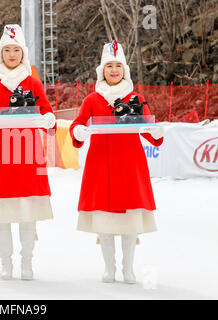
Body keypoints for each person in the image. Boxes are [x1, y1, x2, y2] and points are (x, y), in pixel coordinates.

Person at [0, 24, 56, 281]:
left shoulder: (33, 84)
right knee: (0, 212)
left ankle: (27, 261)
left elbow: (47, 112)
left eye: (16, 50)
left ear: (23, 53)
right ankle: (6, 262)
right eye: (7, 50)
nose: (12, 55)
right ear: (0, 53)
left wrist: (49, 120)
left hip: (27, 154)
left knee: (27, 211)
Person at [69, 40, 164, 284]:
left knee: (130, 220)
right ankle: (109, 268)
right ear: (102, 70)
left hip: (130, 164)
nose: (113, 70)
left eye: (118, 66)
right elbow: (78, 123)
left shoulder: (135, 97)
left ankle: (128, 268)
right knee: (105, 220)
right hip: (100, 165)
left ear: (125, 70)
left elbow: (147, 129)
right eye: (109, 66)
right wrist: (78, 132)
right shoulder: (93, 99)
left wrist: (155, 131)